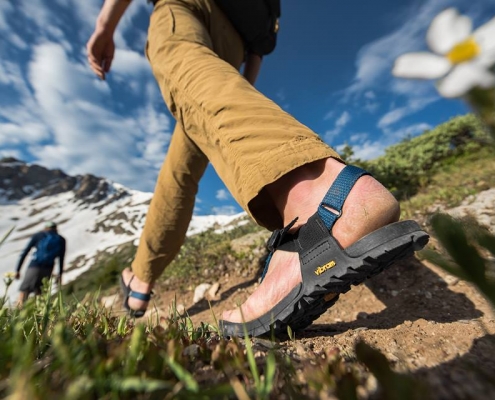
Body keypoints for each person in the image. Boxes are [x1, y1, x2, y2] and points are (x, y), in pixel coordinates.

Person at [87, 0, 429, 337]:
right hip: (235, 47)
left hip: (186, 8)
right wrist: (240, 95)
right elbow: (258, 48)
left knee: (183, 60)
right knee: (181, 169)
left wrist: (105, 27)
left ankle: (321, 202)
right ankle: (141, 277)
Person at [15, 221, 66, 305]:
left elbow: (25, 252)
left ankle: (18, 313)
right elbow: (61, 258)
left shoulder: (39, 235)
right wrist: (60, 275)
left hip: (34, 266)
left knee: (24, 290)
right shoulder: (61, 239)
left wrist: (17, 270)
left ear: (45, 228)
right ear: (56, 228)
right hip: (48, 268)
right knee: (40, 293)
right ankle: (38, 314)